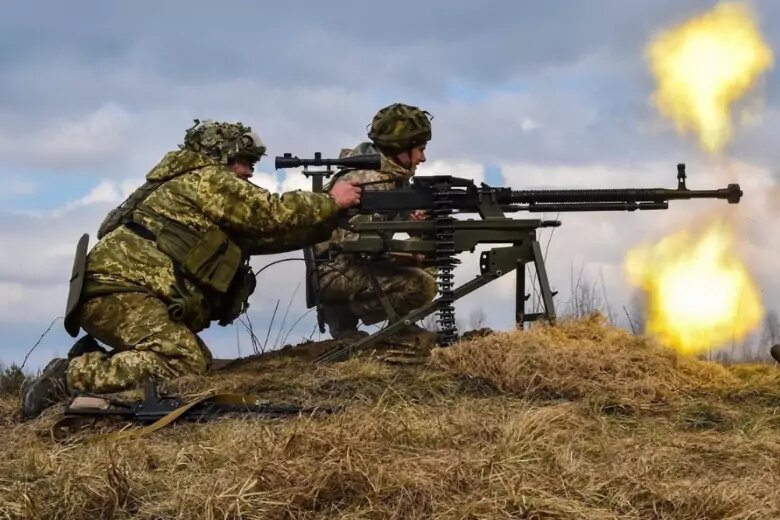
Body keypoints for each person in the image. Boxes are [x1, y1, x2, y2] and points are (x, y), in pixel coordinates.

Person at [20, 119, 361, 419]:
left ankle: (91, 362)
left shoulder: (200, 189)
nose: (248, 171)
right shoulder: (206, 180)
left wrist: (328, 221)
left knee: (196, 358)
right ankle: (67, 377)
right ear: (220, 157)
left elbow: (266, 235)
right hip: (120, 291)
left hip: (123, 292)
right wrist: (331, 200)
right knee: (180, 362)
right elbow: (269, 212)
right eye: (242, 162)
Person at [313, 103, 438, 339]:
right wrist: (410, 256)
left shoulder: (389, 178)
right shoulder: (371, 181)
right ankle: (349, 313)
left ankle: (351, 318)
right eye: (420, 149)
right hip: (338, 272)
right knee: (424, 284)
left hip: (341, 267)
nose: (423, 157)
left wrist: (420, 223)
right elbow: (355, 245)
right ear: (401, 148)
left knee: (427, 259)